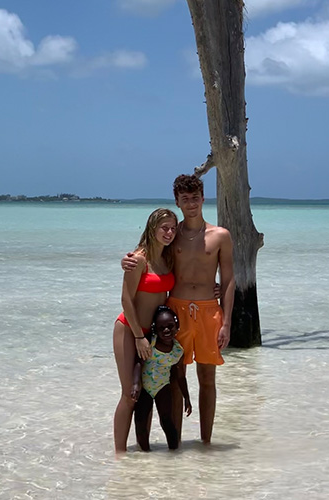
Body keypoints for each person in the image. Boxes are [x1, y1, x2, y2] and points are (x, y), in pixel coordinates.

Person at [122, 174, 235, 444]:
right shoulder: (173, 235)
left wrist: (227, 322)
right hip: (176, 312)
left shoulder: (221, 236)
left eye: (195, 198)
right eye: (185, 199)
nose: (191, 203)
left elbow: (229, 279)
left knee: (207, 378)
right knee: (174, 377)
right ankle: (176, 445)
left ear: (203, 199)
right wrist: (126, 260)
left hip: (210, 311)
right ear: (177, 202)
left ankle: (206, 443)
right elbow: (147, 254)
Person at [113, 208, 178, 455]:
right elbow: (126, 299)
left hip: (152, 334)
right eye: (164, 227)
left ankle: (143, 451)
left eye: (173, 227)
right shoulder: (138, 259)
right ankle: (119, 455)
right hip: (129, 330)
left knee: (147, 393)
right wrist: (139, 337)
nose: (169, 232)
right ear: (152, 229)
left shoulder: (168, 259)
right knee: (130, 393)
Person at [131, 305, 192, 451]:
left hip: (163, 388)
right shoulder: (150, 343)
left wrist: (187, 398)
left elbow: (180, 376)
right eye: (161, 327)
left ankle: (174, 453)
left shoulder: (178, 351)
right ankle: (145, 453)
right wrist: (135, 384)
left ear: (177, 326)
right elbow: (139, 363)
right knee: (140, 421)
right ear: (155, 330)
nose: (166, 330)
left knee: (167, 421)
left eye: (170, 326)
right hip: (145, 388)